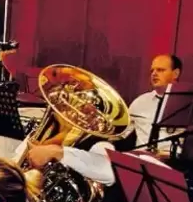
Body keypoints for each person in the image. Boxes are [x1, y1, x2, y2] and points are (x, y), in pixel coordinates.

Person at [23, 54, 184, 185]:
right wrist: (98, 120)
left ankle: (58, 153)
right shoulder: (140, 102)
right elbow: (119, 133)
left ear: (176, 73)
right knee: (101, 147)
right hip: (138, 161)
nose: (154, 74)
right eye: (152, 70)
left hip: (170, 165)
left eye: (161, 70)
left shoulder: (186, 104)